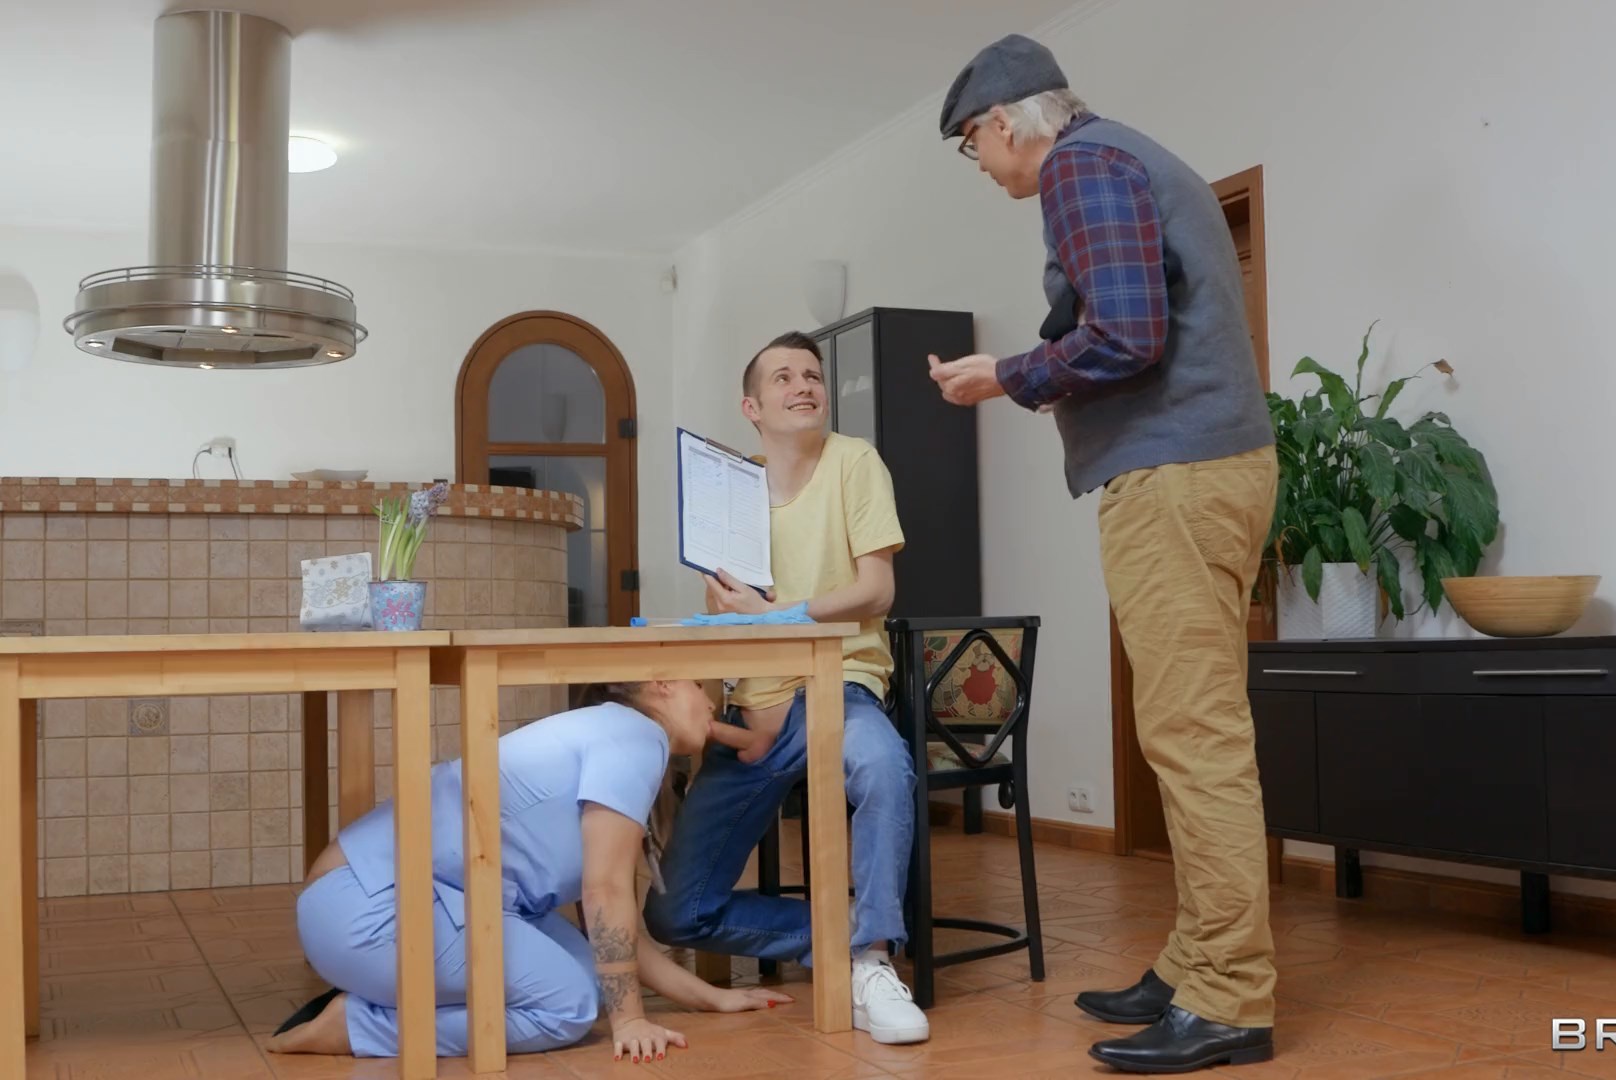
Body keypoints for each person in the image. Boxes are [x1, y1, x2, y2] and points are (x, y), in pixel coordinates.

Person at [928, 33, 1282, 1075]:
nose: (981, 166)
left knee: (1194, 735)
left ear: (1004, 123)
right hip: (1202, 469)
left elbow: (1127, 336)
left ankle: (1228, 994)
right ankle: (1192, 962)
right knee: (1184, 726)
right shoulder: (1126, 156)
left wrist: (1008, 375)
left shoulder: (1079, 167)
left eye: (972, 145)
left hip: (1175, 476)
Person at [643, 330, 929, 1046]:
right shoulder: (728, 487)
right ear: (752, 407)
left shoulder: (855, 462)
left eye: (812, 375)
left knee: (883, 767)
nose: (803, 385)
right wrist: (720, 702)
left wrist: (781, 614)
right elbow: (725, 616)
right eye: (783, 378)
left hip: (839, 687)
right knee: (674, 913)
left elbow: (876, 589)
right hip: (755, 713)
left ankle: (873, 960)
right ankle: (844, 935)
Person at [265, 680, 791, 1065]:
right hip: (369, 908)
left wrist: (713, 998)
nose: (711, 704)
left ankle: (384, 996)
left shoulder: (610, 734)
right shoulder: (635, 737)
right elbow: (605, 891)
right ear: (662, 684)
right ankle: (360, 1026)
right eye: (701, 687)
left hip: (389, 901)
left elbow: (612, 930)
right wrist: (629, 1020)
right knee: (570, 1006)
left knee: (592, 976)